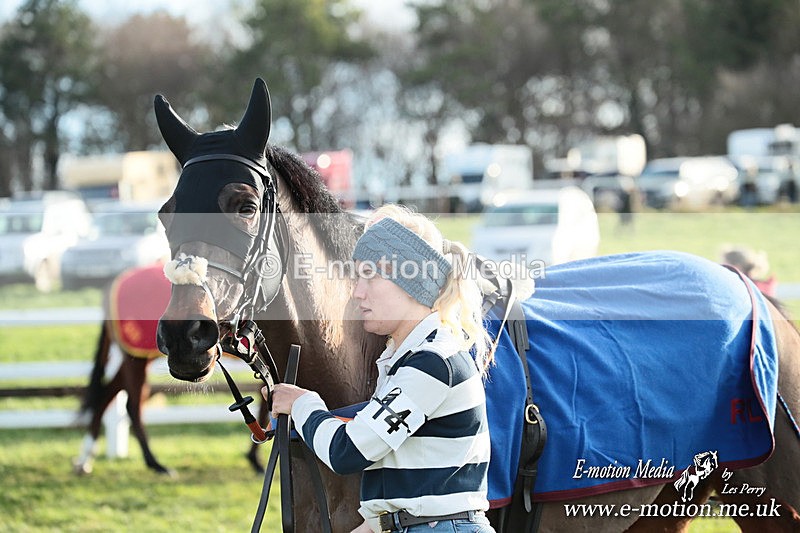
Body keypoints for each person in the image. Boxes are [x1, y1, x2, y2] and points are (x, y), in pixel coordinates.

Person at [265, 204, 496, 533]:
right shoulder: (411, 360)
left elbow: (347, 453)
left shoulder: (432, 363)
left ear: (410, 283)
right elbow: (404, 484)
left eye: (370, 276)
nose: (357, 292)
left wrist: (302, 403)